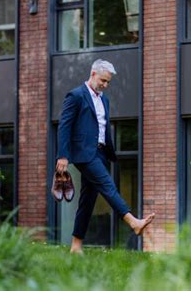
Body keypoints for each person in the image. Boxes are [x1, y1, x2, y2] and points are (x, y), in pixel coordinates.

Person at [56, 59, 155, 254]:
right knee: (107, 185)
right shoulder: (76, 96)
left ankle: (76, 246)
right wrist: (63, 155)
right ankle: (132, 221)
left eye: (108, 82)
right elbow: (64, 126)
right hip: (84, 154)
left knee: (88, 200)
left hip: (100, 153)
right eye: (103, 80)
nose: (105, 85)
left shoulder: (104, 100)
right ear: (93, 74)